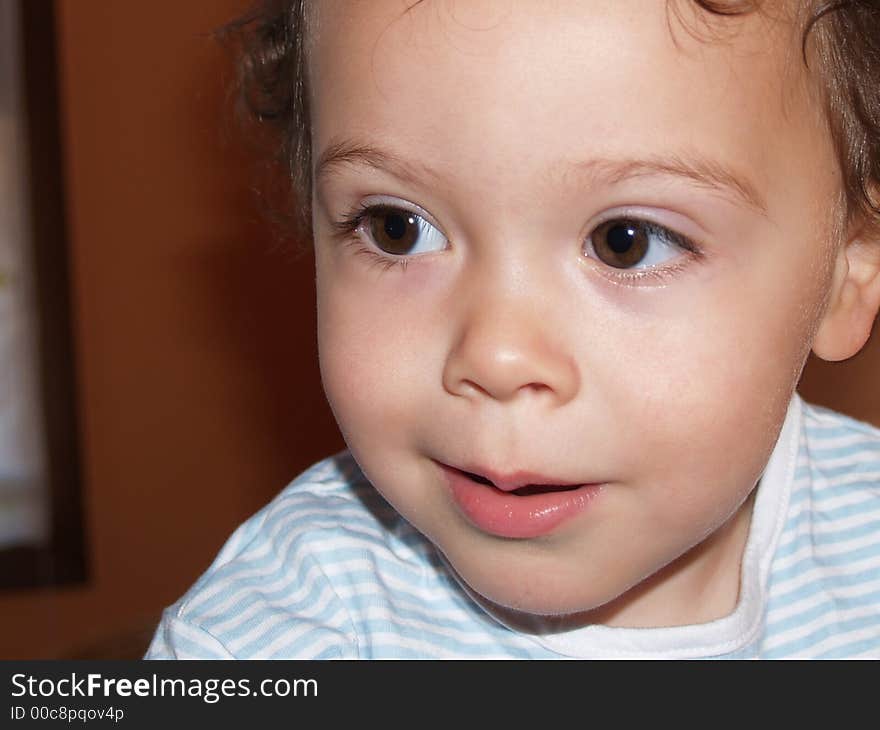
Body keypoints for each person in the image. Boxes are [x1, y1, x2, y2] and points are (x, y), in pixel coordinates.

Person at [146, 0, 880, 658]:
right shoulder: (273, 641)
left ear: (850, 270)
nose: (494, 355)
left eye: (627, 240)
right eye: (397, 229)